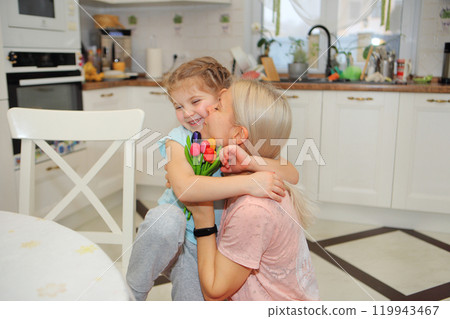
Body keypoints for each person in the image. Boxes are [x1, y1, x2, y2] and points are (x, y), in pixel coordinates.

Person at [126, 57, 299, 301]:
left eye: (195, 101)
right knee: (164, 218)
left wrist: (250, 163)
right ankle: (132, 294)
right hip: (176, 235)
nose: (186, 113)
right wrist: (249, 182)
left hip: (209, 244)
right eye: (178, 106)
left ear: (222, 99)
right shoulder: (178, 138)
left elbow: (292, 174)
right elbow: (186, 189)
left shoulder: (230, 137)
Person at [183, 79, 319, 301]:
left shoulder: (253, 209)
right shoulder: (256, 174)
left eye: (217, 107)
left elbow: (214, 292)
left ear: (238, 135)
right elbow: (292, 172)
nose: (207, 108)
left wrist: (203, 218)